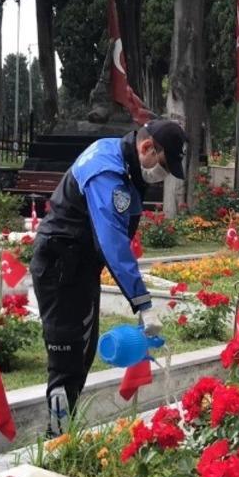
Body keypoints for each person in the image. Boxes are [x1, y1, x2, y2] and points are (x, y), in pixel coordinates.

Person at [32, 119, 187, 436]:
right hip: (60, 267)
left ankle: (65, 432)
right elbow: (112, 242)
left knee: (82, 352)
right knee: (66, 357)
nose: (161, 176)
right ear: (146, 147)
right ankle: (56, 439)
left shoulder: (124, 163)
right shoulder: (107, 171)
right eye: (163, 166)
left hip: (79, 264)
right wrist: (143, 303)